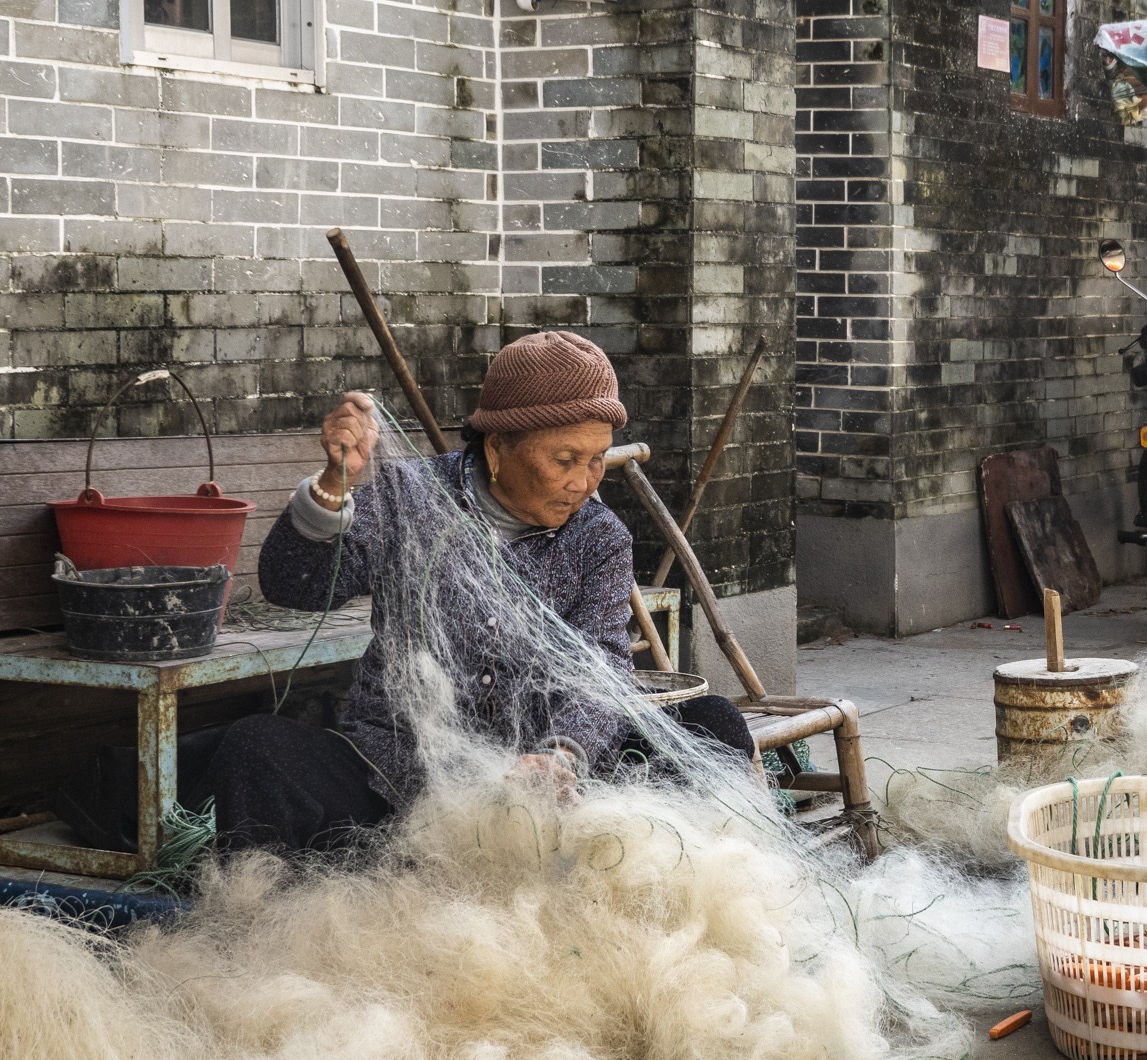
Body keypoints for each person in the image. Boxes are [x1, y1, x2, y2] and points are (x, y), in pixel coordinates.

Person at [57, 332, 753, 854]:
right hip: (397, 776)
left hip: (545, 785)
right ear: (496, 447)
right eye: (564, 460)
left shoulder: (600, 539)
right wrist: (333, 490)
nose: (584, 480)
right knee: (254, 750)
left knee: (713, 724)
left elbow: (601, 670)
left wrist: (562, 755)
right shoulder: (407, 496)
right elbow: (293, 583)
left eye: (597, 460)